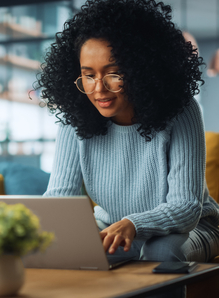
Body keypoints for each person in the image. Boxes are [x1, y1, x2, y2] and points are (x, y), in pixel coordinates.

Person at [36, 0, 219, 297]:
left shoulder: (180, 111)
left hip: (192, 229)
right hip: (112, 229)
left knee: (161, 250)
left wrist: (134, 223)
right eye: (88, 74)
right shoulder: (76, 117)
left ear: (142, 69)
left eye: (114, 74)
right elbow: (60, 199)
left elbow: (186, 207)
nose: (99, 89)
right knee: (67, 258)